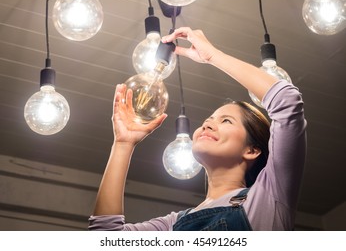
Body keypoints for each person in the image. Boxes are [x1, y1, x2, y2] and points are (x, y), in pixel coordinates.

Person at [88, 27, 307, 231]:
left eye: (226, 121)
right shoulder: (174, 224)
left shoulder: (268, 198)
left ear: (252, 150)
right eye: (209, 119)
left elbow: (287, 101)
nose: (208, 124)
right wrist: (123, 144)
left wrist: (212, 56)